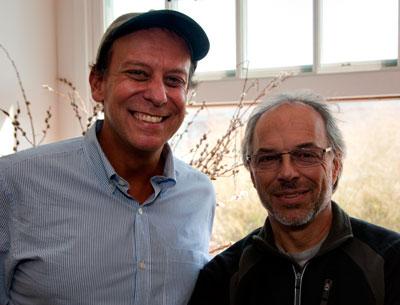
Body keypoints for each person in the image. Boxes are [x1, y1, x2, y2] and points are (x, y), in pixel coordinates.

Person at [0, 10, 215, 305]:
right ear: (97, 83)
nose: (158, 95)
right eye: (138, 73)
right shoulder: (13, 183)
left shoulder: (199, 194)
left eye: (174, 80)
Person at [188, 91, 400, 305]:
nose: (287, 173)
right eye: (268, 158)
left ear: (334, 167)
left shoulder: (389, 262)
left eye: (306, 155)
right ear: (252, 173)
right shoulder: (223, 276)